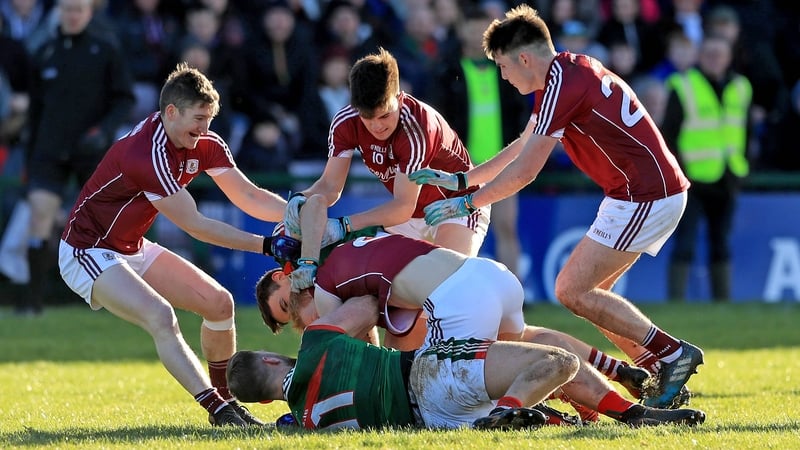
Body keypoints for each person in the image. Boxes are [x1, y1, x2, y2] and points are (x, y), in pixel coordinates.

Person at [408, 4, 703, 409]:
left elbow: (526, 171)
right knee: (595, 297)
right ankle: (657, 369)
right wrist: (464, 180)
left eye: (503, 67)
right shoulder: (564, 74)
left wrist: (467, 202)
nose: (504, 77)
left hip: (645, 194)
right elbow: (522, 145)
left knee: (571, 289)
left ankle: (673, 355)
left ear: (524, 58)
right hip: (635, 192)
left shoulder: (563, 85)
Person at [256, 195, 693, 424]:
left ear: (285, 278)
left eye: (289, 311)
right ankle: (619, 397)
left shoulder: (329, 290)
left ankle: (525, 412)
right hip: (490, 276)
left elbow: (367, 340)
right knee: (529, 346)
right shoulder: (354, 244)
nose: (305, 323)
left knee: (452, 395)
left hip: (458, 298)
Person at [57, 62, 289, 427]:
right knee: (161, 317)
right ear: (171, 112)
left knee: (218, 304)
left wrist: (299, 213)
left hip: (130, 246)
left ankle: (228, 405)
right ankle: (221, 410)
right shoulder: (146, 153)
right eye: (199, 118)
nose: (205, 129)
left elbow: (248, 195)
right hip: (86, 250)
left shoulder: (203, 141)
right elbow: (196, 225)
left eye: (209, 119)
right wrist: (267, 245)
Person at [20, 0, 135, 316]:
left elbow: (124, 98)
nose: (72, 15)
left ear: (89, 12)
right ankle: (34, 303)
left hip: (92, 153)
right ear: (59, 12)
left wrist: (105, 131)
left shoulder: (105, 50)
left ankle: (109, 301)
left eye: (78, 9)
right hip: (49, 150)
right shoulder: (44, 51)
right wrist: (31, 158)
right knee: (39, 217)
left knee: (100, 226)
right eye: (67, 9)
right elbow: (35, 110)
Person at [431, 5, 528, 281]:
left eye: (482, 27)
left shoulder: (507, 69)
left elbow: (521, 112)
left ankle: (515, 291)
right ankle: (453, 289)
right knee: (457, 231)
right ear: (460, 30)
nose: (476, 34)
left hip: (503, 165)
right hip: (461, 169)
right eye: (471, 27)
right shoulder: (447, 71)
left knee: (507, 227)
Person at [662, 33, 751, 302]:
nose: (715, 60)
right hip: (692, 179)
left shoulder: (741, 86)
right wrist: (679, 172)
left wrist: (743, 165)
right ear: (700, 56)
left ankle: (722, 303)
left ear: (729, 57)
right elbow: (669, 134)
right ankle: (676, 303)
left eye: (720, 54)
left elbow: (744, 130)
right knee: (685, 243)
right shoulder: (683, 84)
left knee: (721, 242)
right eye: (710, 54)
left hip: (728, 174)